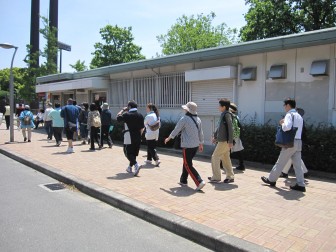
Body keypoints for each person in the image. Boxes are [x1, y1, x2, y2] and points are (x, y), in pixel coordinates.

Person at [261, 98, 306, 192]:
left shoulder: (289, 114)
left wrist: (282, 123)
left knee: (280, 162)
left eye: (284, 105)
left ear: (288, 105)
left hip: (290, 142)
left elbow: (287, 127)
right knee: (297, 165)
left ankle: (271, 180)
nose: (284, 107)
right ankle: (301, 184)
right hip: (298, 142)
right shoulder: (299, 116)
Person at [164, 102, 206, 191]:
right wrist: (201, 143)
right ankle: (183, 180)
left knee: (188, 164)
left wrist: (169, 137)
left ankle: (199, 181)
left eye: (186, 108)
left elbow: (177, 129)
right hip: (195, 145)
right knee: (186, 162)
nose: (184, 109)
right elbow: (201, 132)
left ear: (188, 110)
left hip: (187, 145)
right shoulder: (198, 119)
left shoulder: (185, 119)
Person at [208, 98, 235, 183]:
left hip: (225, 141)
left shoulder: (227, 115)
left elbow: (231, 128)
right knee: (225, 158)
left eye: (219, 106)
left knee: (215, 156)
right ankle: (230, 176)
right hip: (223, 140)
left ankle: (216, 177)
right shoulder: (224, 114)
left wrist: (230, 141)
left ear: (224, 107)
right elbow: (220, 128)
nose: (218, 107)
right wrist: (215, 137)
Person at [117, 100, 144, 176]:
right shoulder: (140, 115)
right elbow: (142, 128)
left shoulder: (127, 114)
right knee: (134, 153)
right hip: (138, 135)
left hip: (128, 135)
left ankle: (136, 165)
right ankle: (129, 167)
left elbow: (118, 117)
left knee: (128, 152)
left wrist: (123, 110)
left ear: (129, 107)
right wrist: (140, 136)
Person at [279, 108, 309, 178]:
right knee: (294, 157)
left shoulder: (296, 119)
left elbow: (288, 129)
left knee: (291, 157)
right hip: (298, 140)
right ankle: (303, 172)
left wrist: (283, 123)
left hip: (294, 140)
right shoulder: (300, 120)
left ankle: (284, 172)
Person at [229, 103, 245, 171]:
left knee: (226, 150)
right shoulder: (236, 116)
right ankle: (241, 165)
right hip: (237, 135)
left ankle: (222, 164)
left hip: (232, 136)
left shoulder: (230, 116)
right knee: (238, 150)